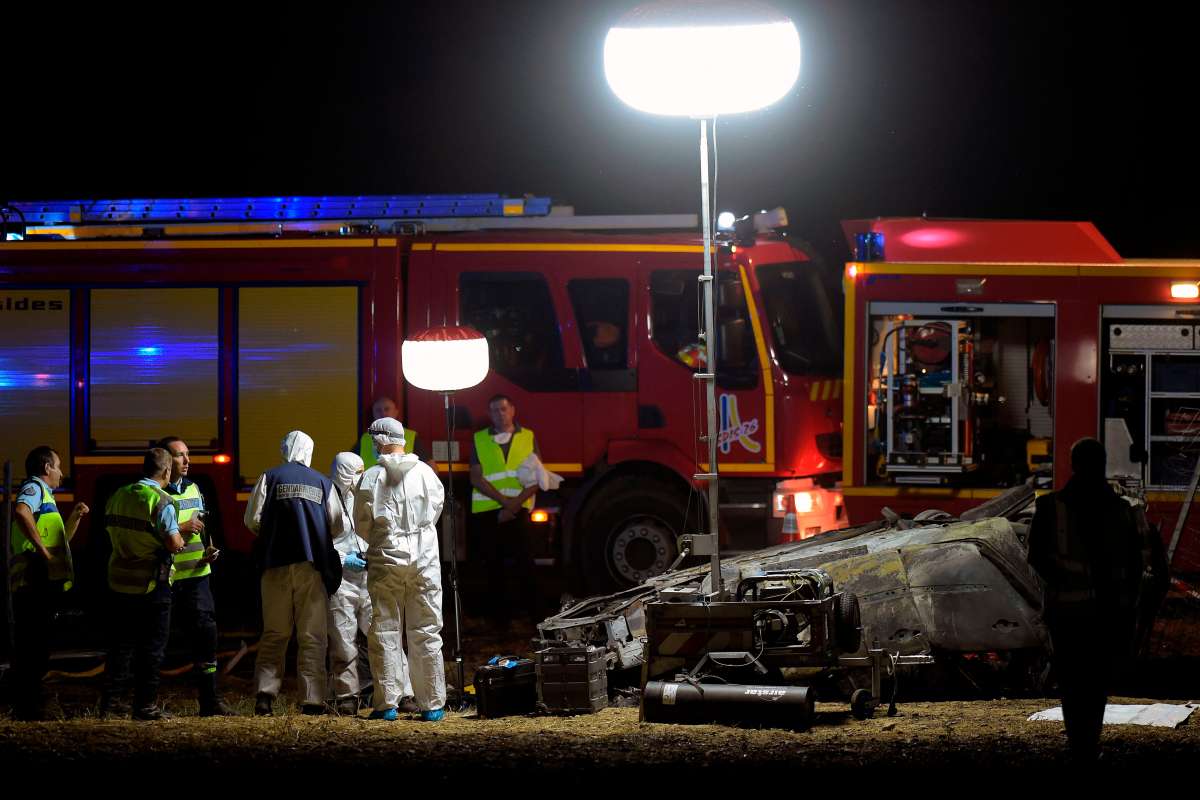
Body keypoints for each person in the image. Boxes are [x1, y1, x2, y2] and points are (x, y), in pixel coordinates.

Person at [1028, 437, 1145, 763]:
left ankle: (1079, 745)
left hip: (1066, 615)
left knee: (1072, 683)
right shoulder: (1121, 510)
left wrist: (1060, 583)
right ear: (1103, 465)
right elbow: (1135, 565)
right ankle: (1090, 745)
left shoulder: (1050, 507)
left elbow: (1036, 556)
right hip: (1107, 615)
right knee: (1096, 684)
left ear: (1073, 465)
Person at [244, 430, 344, 716]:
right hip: (312, 567)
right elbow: (337, 526)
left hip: (274, 564)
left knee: (275, 633)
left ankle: (264, 695)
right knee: (312, 634)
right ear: (309, 451)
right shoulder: (323, 482)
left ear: (284, 449)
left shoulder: (269, 477)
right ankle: (312, 699)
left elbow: (252, 519)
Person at [354, 417, 446, 721]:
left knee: (385, 630)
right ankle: (432, 704)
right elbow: (435, 512)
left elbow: (362, 524)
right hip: (425, 559)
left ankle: (387, 704)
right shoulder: (427, 474)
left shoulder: (370, 478)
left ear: (378, 441)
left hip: (387, 559)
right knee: (426, 629)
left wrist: (387, 540)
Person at [99, 448, 186, 721]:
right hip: (151, 583)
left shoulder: (120, 494)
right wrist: (180, 540)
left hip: (119, 580)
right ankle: (145, 705)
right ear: (166, 472)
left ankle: (111, 703)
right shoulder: (162, 501)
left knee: (120, 646)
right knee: (152, 647)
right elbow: (172, 543)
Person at [327, 451, 416, 715]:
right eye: (353, 472)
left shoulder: (367, 494)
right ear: (340, 472)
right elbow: (320, 538)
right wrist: (343, 558)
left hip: (371, 576)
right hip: (342, 579)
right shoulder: (326, 498)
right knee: (343, 640)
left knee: (386, 635)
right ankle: (348, 696)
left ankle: (403, 693)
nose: (358, 477)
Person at [8, 446, 88, 720]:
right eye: (59, 466)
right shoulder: (34, 488)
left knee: (37, 645)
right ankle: (28, 707)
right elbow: (21, 511)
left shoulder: (46, 497)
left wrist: (74, 517)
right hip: (33, 580)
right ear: (46, 468)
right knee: (32, 646)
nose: (62, 472)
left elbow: (60, 541)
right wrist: (43, 553)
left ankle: (29, 705)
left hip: (41, 581)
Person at [158, 436, 235, 716]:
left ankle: (210, 700)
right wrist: (181, 525)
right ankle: (149, 702)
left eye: (188, 454)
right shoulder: (157, 493)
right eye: (180, 456)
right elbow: (151, 533)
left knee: (206, 634)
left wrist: (209, 549)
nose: (187, 461)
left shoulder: (194, 487)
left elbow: (202, 526)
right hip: (166, 576)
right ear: (166, 461)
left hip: (197, 573)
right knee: (158, 639)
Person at [469, 394, 540, 625]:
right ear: (489, 414)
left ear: (512, 411)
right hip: (490, 510)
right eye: (494, 410)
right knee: (493, 565)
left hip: (517, 509)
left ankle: (533, 616)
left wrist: (513, 505)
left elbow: (537, 477)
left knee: (525, 563)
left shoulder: (528, 437)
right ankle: (500, 620)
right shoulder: (480, 439)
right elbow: (476, 478)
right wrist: (506, 502)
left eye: (503, 409)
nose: (499, 414)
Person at [356, 396, 436, 470]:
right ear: (373, 413)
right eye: (378, 410)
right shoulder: (365, 438)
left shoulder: (411, 436)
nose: (383, 413)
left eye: (387, 409)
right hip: (371, 484)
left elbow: (431, 468)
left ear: (396, 412)